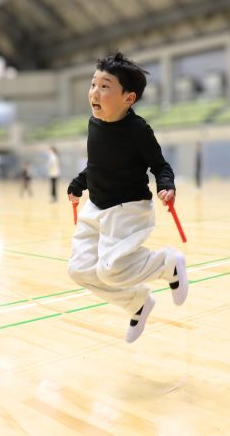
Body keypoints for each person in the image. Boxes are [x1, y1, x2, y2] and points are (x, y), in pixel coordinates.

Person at [67, 52, 189, 344]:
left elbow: (160, 165)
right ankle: (136, 303)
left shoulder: (138, 130)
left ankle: (168, 263)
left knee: (111, 271)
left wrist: (166, 185)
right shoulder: (94, 124)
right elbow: (97, 165)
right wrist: (78, 184)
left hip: (127, 208)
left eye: (105, 86)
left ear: (128, 98)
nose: (94, 92)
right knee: (79, 270)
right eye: (93, 84)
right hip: (96, 206)